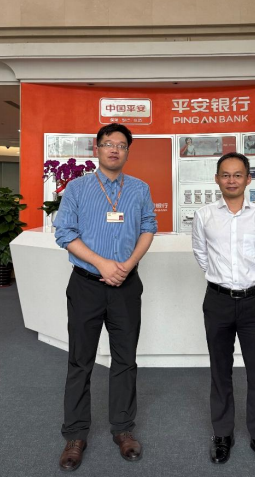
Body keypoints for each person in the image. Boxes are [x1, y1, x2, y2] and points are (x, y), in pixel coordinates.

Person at [54, 123, 157, 471]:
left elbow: (149, 227)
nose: (114, 149)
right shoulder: (77, 188)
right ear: (96, 149)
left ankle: (123, 429)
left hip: (126, 285)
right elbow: (64, 233)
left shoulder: (139, 188)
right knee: (80, 360)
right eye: (108, 143)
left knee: (125, 359)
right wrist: (102, 264)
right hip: (86, 285)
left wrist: (127, 265)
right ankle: (75, 434)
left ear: (128, 152)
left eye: (121, 145)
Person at [192, 152, 255, 469]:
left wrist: (246, 281)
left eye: (238, 174)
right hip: (217, 301)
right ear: (217, 179)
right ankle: (222, 434)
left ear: (248, 179)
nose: (232, 180)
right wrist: (223, 280)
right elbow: (201, 254)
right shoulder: (204, 215)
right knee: (220, 371)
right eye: (226, 175)